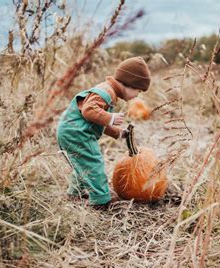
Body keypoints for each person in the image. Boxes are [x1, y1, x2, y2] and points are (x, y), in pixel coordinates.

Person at [57, 56, 151, 209]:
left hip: (70, 131)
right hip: (77, 134)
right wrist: (111, 117)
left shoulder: (108, 91)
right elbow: (89, 111)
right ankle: (101, 201)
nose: (137, 96)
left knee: (82, 164)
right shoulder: (105, 92)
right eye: (138, 91)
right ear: (129, 83)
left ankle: (75, 193)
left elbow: (98, 120)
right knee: (94, 163)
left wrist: (118, 132)